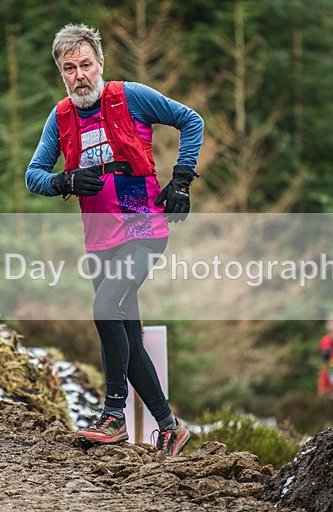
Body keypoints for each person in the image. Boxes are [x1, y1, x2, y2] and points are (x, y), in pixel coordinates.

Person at [25, 23, 204, 456]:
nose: (80, 74)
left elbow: (191, 121)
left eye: (86, 64)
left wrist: (181, 181)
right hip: (99, 238)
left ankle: (113, 416)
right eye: (70, 68)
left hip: (143, 228)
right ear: (61, 73)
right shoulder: (61, 116)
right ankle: (169, 426)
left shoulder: (130, 96)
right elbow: (33, 176)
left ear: (100, 64)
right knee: (124, 330)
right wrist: (64, 181)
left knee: (106, 309)